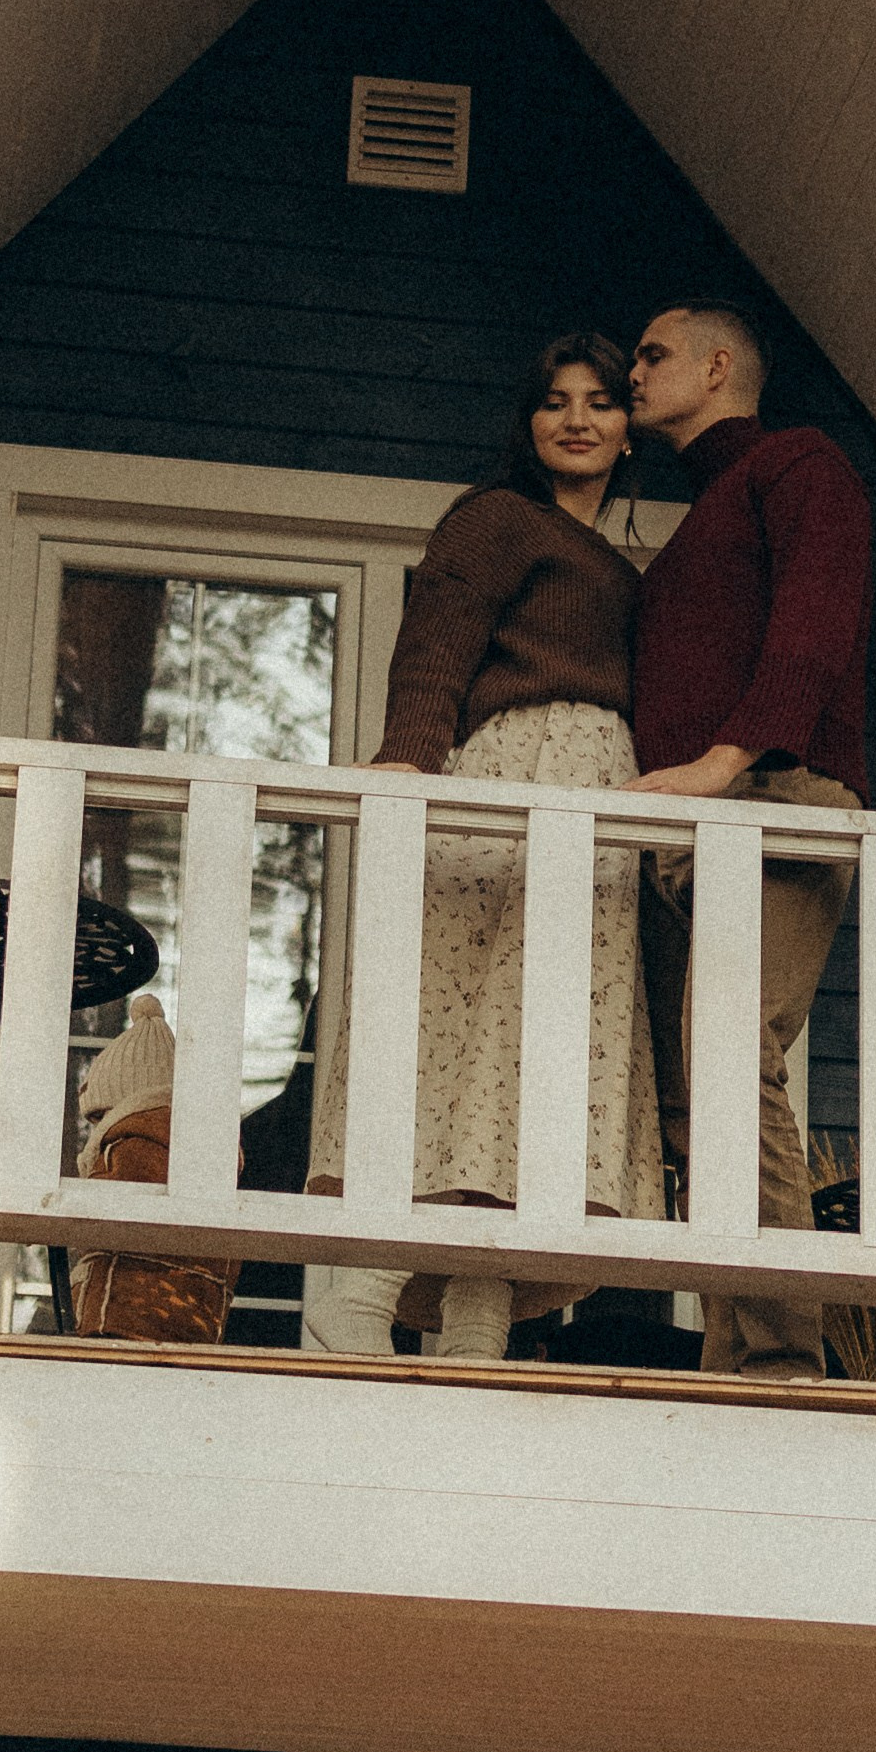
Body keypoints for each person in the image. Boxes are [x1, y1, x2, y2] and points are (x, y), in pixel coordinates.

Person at [302, 333, 665, 1360]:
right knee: (452, 1036)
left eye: (600, 401)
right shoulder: (497, 519)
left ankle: (474, 1335)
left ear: (630, 429)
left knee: (530, 1052)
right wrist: (408, 764)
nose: (579, 418)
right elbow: (435, 646)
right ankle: (360, 1298)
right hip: (515, 773)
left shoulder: (620, 566)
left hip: (593, 801)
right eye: (555, 401)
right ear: (529, 421)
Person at [628, 299, 873, 1382]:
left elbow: (814, 623)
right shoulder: (702, 516)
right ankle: (738, 1357)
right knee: (701, 1089)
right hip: (703, 837)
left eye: (652, 355)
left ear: (719, 366)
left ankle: (776, 1362)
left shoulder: (797, 465)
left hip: (779, 801)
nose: (633, 374)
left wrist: (729, 762)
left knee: (731, 1061)